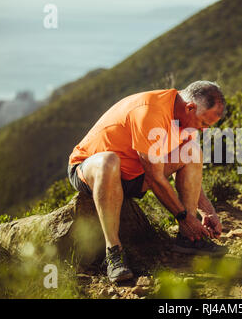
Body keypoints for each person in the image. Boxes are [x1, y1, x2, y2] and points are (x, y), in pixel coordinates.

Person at [67, 81, 228, 282]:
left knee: (192, 152)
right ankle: (113, 253)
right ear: (190, 107)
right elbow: (155, 177)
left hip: (133, 176)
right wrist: (185, 217)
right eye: (204, 123)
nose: (203, 130)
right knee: (109, 161)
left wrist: (207, 211)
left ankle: (189, 238)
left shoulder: (186, 121)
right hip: (90, 168)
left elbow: (177, 168)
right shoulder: (150, 111)